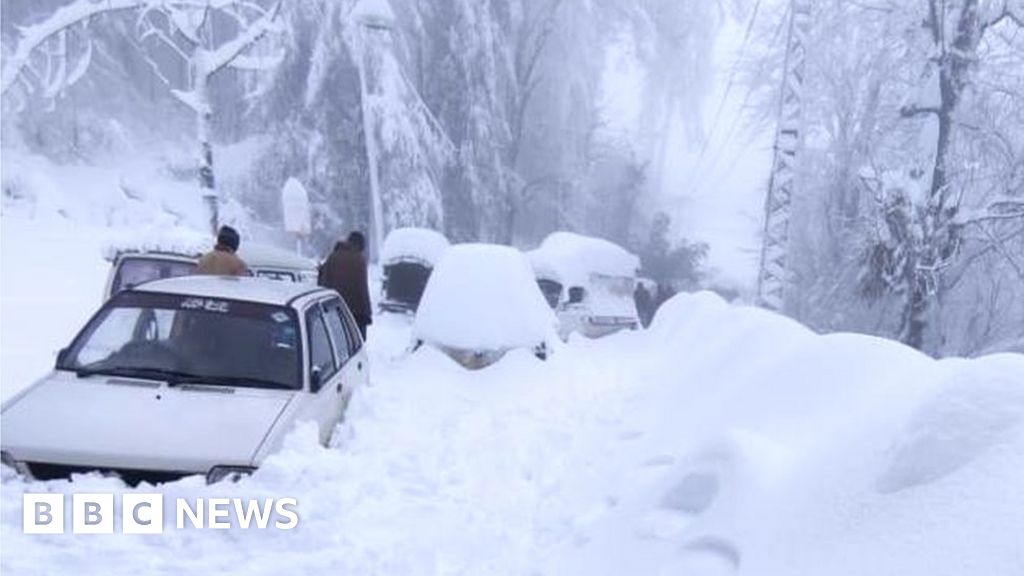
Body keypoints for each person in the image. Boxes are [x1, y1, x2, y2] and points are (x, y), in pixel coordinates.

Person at [319, 231, 373, 340]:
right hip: (356, 313)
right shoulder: (359, 260)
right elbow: (362, 289)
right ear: (359, 245)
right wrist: (367, 313)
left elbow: (323, 282)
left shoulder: (333, 257)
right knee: (354, 343)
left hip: (333, 308)